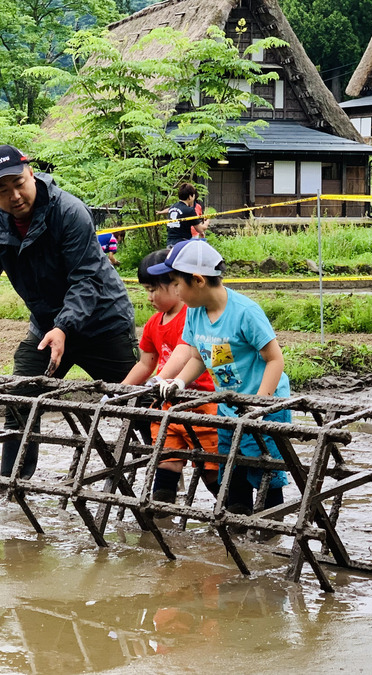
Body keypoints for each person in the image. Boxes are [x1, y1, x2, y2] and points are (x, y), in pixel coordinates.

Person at [0, 145, 138, 479]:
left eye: (18, 183)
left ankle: (166, 474)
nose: (14, 196)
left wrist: (64, 327)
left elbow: (87, 279)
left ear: (31, 174)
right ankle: (12, 486)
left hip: (103, 322)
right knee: (20, 400)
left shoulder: (68, 211)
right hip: (46, 327)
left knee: (137, 401)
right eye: (2, 189)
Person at [150, 239, 289, 515]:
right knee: (232, 472)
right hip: (228, 407)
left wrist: (259, 404)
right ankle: (238, 530)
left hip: (264, 406)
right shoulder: (195, 313)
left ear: (198, 280)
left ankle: (270, 534)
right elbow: (198, 357)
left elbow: (275, 359)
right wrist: (179, 381)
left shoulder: (245, 313)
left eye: (177, 284)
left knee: (265, 473)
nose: (175, 292)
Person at [120, 250, 216, 506]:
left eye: (154, 290)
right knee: (165, 460)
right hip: (167, 405)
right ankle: (161, 513)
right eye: (147, 290)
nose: (149, 297)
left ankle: (232, 512)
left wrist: (159, 379)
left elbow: (185, 355)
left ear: (176, 285)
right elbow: (145, 363)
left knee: (211, 466)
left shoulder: (193, 317)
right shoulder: (153, 324)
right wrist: (120, 390)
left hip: (202, 403)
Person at [165, 183, 207, 248]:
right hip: (182, 244)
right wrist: (208, 220)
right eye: (193, 195)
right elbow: (200, 229)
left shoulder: (172, 207)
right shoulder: (189, 210)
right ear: (190, 197)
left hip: (169, 243)